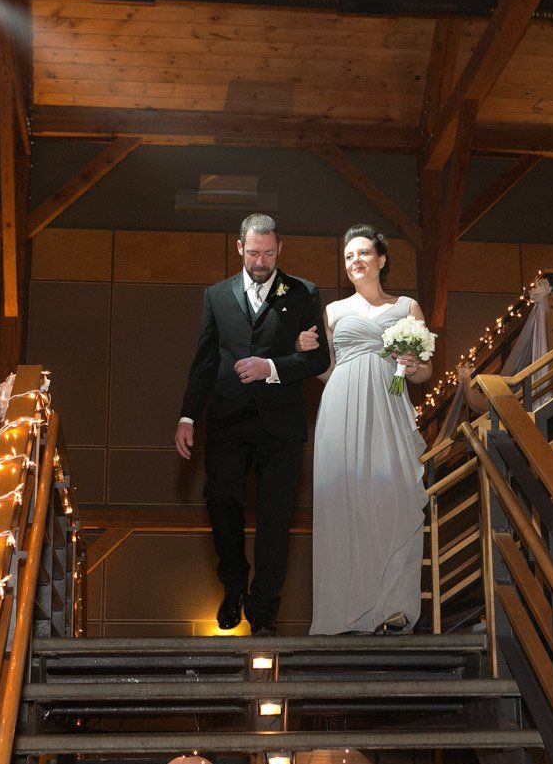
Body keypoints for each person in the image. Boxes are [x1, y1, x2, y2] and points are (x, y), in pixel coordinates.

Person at [175, 213, 330, 636]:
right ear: (240, 248)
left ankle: (263, 610)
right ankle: (233, 584)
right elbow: (205, 361)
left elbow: (318, 360)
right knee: (221, 501)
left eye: (270, 252)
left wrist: (271, 367)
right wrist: (188, 416)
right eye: (254, 252)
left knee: (275, 519)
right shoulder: (216, 295)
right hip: (226, 420)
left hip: (280, 427)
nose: (262, 260)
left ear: (280, 249)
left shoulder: (302, 293)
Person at [301, 224, 432, 635]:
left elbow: (424, 371)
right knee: (346, 504)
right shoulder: (334, 312)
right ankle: (345, 610)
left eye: (362, 253)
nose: (354, 261)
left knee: (395, 499)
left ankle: (393, 606)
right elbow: (330, 372)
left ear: (381, 258)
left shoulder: (407, 306)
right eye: (348, 257)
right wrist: (307, 356)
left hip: (389, 404)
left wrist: (413, 365)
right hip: (340, 408)